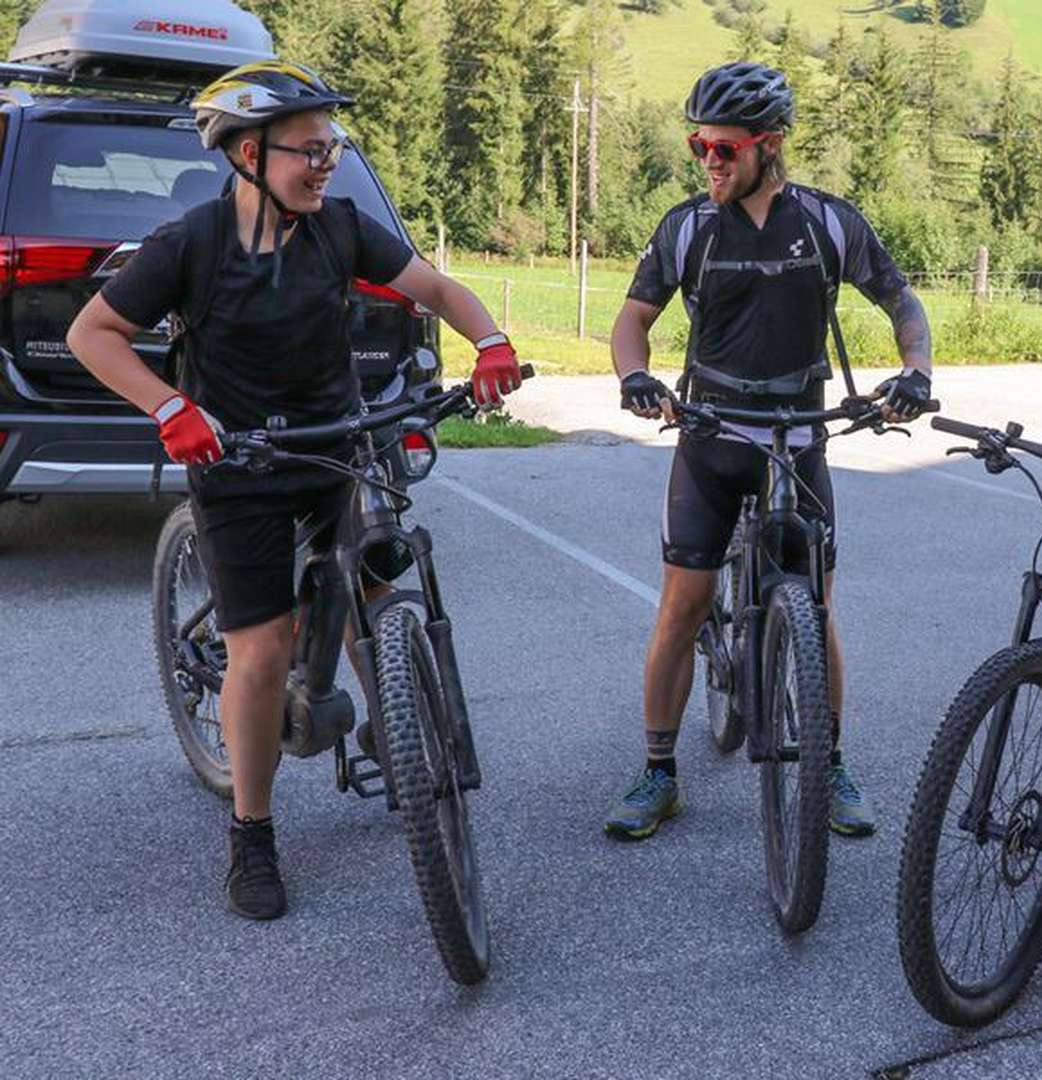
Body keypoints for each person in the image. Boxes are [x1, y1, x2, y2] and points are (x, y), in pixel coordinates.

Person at [66, 61, 524, 920]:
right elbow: (93, 334)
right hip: (239, 466)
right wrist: (170, 406)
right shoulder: (188, 246)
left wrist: (490, 340)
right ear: (249, 154)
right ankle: (252, 832)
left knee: (374, 593)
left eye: (333, 148)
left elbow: (431, 286)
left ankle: (402, 747)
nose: (327, 164)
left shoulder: (341, 229)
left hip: (338, 445)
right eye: (310, 150)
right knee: (265, 650)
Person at [603, 61, 933, 840]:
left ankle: (830, 762)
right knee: (683, 605)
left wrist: (915, 371)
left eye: (723, 148)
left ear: (769, 146)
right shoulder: (686, 226)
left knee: (815, 610)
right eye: (698, 147)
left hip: (800, 439)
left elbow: (901, 300)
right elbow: (632, 320)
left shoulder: (826, 222)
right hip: (710, 437)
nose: (708, 161)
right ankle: (658, 771)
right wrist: (635, 375)